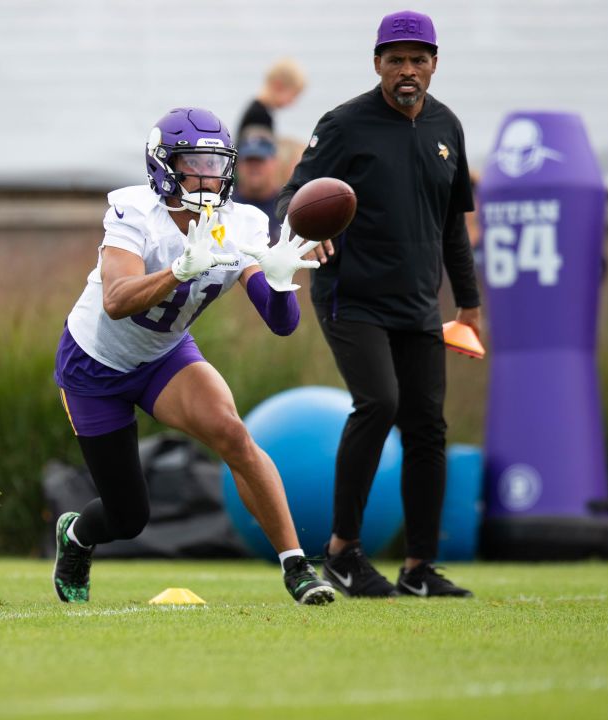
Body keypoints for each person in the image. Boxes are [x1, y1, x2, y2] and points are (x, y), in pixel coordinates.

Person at [52, 106, 334, 606]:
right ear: (163, 166)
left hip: (164, 356)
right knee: (127, 517)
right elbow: (116, 302)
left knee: (233, 433)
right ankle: (76, 537)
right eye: (192, 163)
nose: (206, 176)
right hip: (95, 365)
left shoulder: (241, 222)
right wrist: (178, 272)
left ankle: (297, 567)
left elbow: (281, 324)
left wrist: (281, 279)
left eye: (214, 164)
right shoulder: (134, 211)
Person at [275, 10, 480, 598]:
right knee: (379, 402)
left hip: (418, 301)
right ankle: (342, 553)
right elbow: (295, 193)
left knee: (427, 427)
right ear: (377, 65)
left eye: (419, 60)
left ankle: (418, 568)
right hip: (351, 293)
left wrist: (468, 304)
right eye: (396, 61)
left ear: (435, 64)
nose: (407, 71)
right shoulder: (343, 124)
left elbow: (452, 227)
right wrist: (305, 230)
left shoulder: (448, 128)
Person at [231, 127, 283, 243]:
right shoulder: (225, 205)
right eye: (249, 161)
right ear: (238, 165)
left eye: (260, 160)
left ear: (274, 163)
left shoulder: (288, 206)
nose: (254, 167)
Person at [237, 58, 307, 137]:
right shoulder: (259, 116)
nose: (292, 102)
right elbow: (257, 148)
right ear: (278, 86)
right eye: (293, 96)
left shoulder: (258, 110)